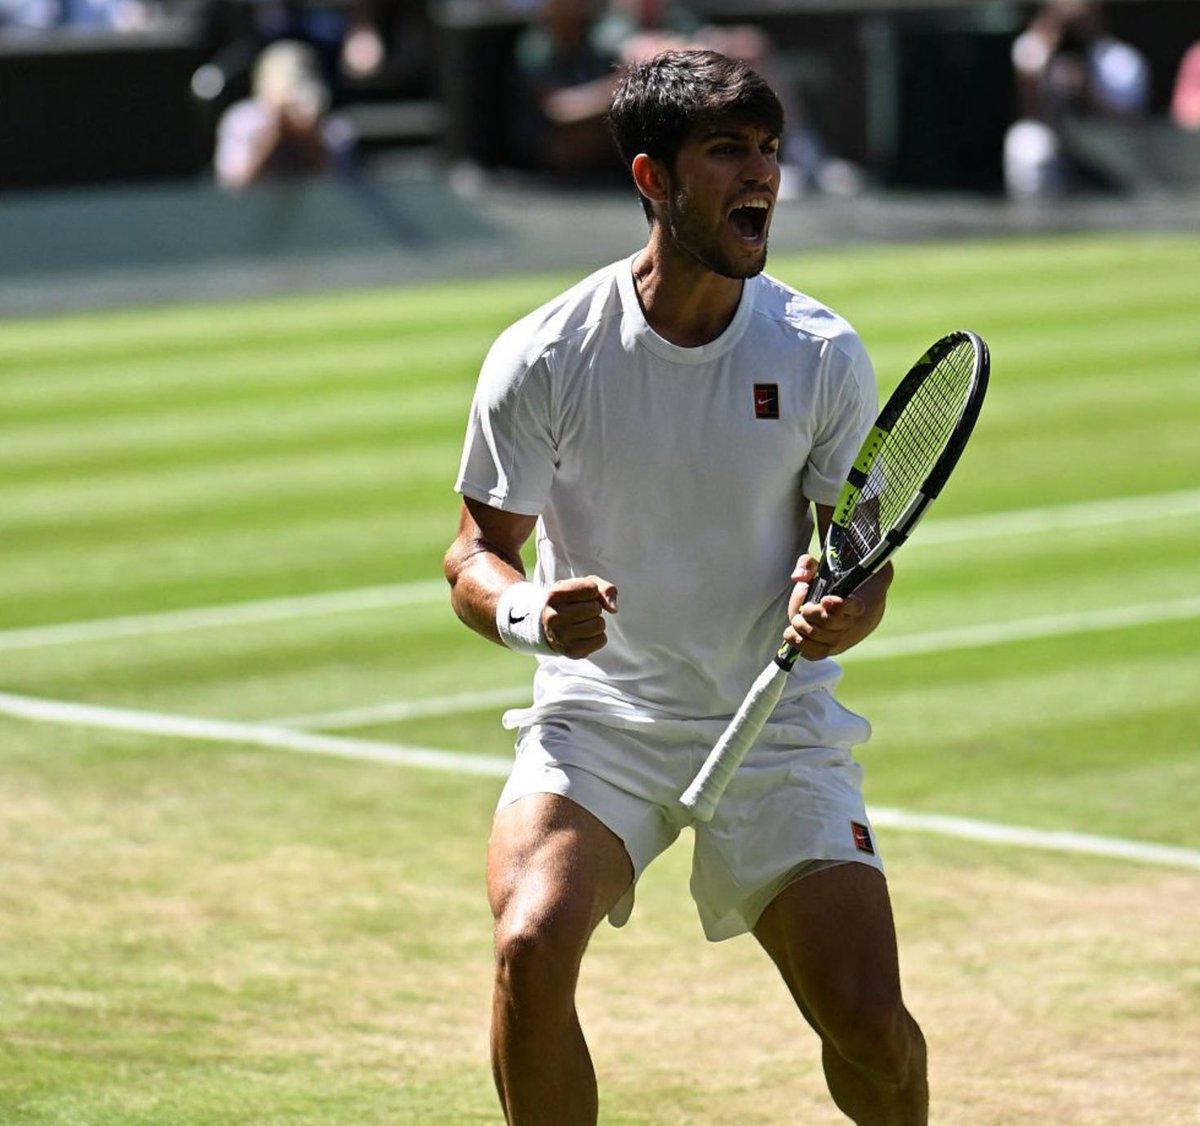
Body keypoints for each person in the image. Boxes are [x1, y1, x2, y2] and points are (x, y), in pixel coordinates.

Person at [443, 48, 927, 1126]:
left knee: (870, 1029)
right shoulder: (544, 354)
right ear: (653, 178)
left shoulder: (821, 352)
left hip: (773, 724)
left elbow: (862, 558)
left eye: (768, 150)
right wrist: (531, 614)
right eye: (727, 152)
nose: (760, 174)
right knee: (529, 941)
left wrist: (846, 603)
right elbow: (475, 554)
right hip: (602, 718)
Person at [1004, 0, 1150, 197]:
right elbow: (1031, 109)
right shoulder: (1036, 51)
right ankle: (1034, 218)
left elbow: (1130, 117)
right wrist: (1045, 55)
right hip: (1054, 134)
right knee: (1028, 141)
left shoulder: (1118, 58)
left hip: (1103, 136)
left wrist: (1086, 90)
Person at [214, 38, 356, 191]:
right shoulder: (241, 120)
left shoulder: (336, 129)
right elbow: (234, 185)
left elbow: (337, 188)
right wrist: (274, 133)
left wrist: (308, 138)